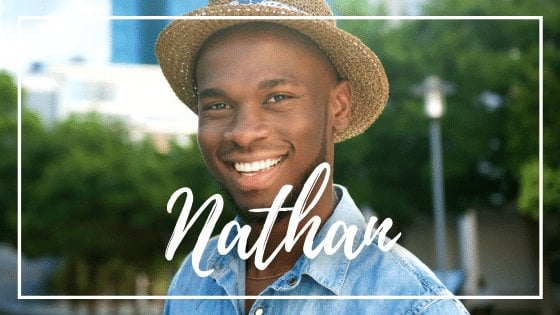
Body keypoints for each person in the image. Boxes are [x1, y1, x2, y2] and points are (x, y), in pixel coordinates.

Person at [155, 0, 469, 314]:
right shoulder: (192, 282)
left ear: (338, 107)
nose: (243, 133)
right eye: (218, 106)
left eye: (278, 98)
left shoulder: (412, 306)